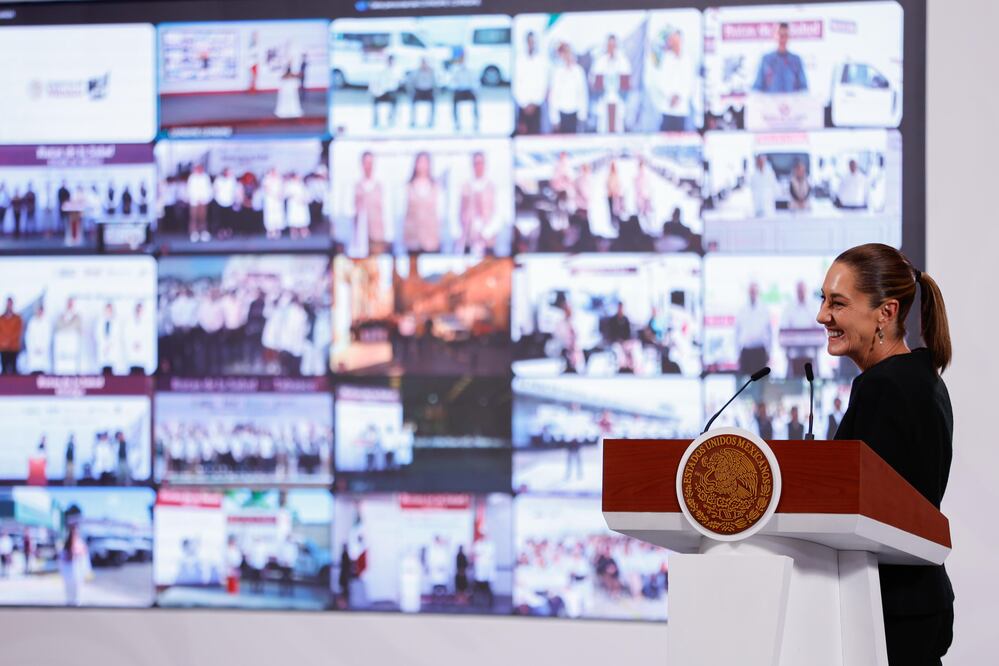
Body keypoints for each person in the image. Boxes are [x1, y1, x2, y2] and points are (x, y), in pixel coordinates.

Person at [817, 243, 954, 664]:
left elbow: (870, 514)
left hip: (887, 615)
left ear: (886, 313)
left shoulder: (887, 387)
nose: (823, 315)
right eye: (823, 300)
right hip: (910, 607)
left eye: (837, 303)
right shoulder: (919, 377)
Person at [647, 28, 693, 131]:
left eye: (677, 40)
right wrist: (670, 96)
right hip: (667, 107)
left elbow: (689, 82)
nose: (674, 42)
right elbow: (661, 81)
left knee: (681, 140)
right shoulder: (666, 58)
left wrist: (679, 96)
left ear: (681, 41)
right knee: (665, 139)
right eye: (672, 40)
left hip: (681, 108)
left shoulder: (687, 59)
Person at [780, 280, 823, 378]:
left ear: (806, 291)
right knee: (795, 385)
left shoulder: (814, 306)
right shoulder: (789, 307)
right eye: (799, 290)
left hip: (811, 354)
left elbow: (819, 328)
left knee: (811, 382)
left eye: (802, 290)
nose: (801, 293)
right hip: (794, 355)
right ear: (796, 291)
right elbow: (784, 328)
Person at [590, 34, 631, 133]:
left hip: (618, 100)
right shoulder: (600, 61)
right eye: (609, 45)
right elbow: (592, 80)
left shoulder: (623, 61)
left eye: (613, 45)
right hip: (604, 100)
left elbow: (628, 82)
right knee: (603, 129)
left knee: (618, 129)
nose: (611, 48)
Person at [458, 152, 497, 254]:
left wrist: (486, 232)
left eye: (481, 163)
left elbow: (498, 213)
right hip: (469, 238)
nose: (479, 166)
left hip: (487, 240)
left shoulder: (491, 186)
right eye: (476, 163)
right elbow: (460, 211)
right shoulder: (466, 186)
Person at [752, 22, 808, 93]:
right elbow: (757, 86)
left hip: (792, 102)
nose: (782, 38)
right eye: (780, 35)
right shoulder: (766, 60)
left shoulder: (796, 60)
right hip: (770, 103)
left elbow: (803, 87)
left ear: (788, 37)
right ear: (774, 35)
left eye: (785, 35)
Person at [403, 152, 441, 253]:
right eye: (420, 162)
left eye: (425, 162)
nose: (422, 165)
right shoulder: (408, 187)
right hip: (412, 242)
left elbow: (440, 214)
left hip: (431, 241)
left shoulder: (436, 187)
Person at [548, 43, 588, 134]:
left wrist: (582, 116)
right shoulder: (557, 72)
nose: (566, 55)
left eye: (568, 52)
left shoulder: (578, 71)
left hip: (575, 113)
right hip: (561, 114)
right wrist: (554, 118)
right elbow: (553, 96)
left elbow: (583, 94)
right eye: (563, 53)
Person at [353, 152, 388, 255]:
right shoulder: (356, 186)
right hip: (360, 234)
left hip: (377, 235)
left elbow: (386, 211)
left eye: (371, 163)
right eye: (366, 163)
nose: (368, 166)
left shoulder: (380, 186)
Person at [514, 31, 548, 134]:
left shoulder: (541, 60)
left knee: (535, 134)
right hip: (522, 106)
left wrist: (535, 103)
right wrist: (524, 103)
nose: (531, 44)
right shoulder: (519, 60)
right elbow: (517, 83)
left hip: (536, 105)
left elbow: (543, 82)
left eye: (533, 41)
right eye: (529, 41)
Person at [735, 282, 771, 374]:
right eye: (751, 291)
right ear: (748, 292)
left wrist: (769, 352)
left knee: (761, 382)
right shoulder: (742, 310)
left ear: (758, 292)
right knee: (746, 382)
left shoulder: (764, 309)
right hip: (746, 351)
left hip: (760, 351)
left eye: (754, 291)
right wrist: (737, 354)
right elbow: (737, 333)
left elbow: (770, 333)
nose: (753, 293)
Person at [449, 51, 479, 132]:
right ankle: (456, 123)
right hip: (459, 90)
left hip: (469, 90)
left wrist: (474, 89)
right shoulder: (455, 69)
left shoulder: (471, 68)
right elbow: (452, 81)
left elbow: (475, 81)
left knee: (475, 99)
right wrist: (456, 87)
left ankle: (476, 122)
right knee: (454, 100)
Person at [370, 55, 402, 129]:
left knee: (393, 97)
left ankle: (391, 118)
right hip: (381, 92)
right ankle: (376, 120)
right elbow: (376, 82)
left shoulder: (397, 71)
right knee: (375, 99)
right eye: (389, 61)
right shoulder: (381, 70)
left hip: (391, 92)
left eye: (392, 61)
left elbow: (397, 84)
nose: (390, 62)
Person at [186, 165, 212, 243]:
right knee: (193, 217)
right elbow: (190, 189)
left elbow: (208, 188)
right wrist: (195, 198)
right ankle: (194, 233)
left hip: (203, 200)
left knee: (203, 218)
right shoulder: (192, 177)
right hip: (194, 201)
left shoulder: (205, 177)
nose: (199, 170)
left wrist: (204, 198)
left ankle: (203, 233)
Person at [409, 58, 436, 129]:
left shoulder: (432, 71)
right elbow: (412, 81)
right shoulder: (416, 72)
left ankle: (431, 121)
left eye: (425, 63)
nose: (424, 65)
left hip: (428, 91)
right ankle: (413, 121)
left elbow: (435, 82)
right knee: (413, 101)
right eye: (423, 63)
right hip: (419, 91)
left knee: (433, 101)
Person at [213, 167, 238, 239]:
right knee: (220, 218)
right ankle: (221, 232)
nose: (229, 173)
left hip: (229, 201)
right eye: (227, 172)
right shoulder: (219, 179)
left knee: (229, 218)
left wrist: (235, 199)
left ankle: (228, 231)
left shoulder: (232, 179)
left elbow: (235, 190)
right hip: (220, 201)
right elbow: (215, 189)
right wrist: (217, 198)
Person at [284, 173, 311, 240]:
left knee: (303, 218)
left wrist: (305, 199)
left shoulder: (302, 185)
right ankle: (294, 233)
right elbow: (286, 194)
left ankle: (303, 231)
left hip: (302, 204)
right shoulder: (289, 185)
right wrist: (293, 196)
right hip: (293, 204)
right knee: (293, 218)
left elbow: (307, 194)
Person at [261, 168, 286, 240]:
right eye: (273, 172)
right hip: (270, 200)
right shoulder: (266, 179)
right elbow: (266, 188)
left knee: (278, 214)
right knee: (269, 215)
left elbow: (282, 189)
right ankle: (270, 231)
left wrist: (280, 195)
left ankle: (277, 230)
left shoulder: (279, 179)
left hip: (278, 200)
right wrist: (274, 194)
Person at [0, 297, 22, 375]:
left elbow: (18, 332)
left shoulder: (17, 319)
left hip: (13, 348)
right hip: (3, 348)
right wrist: (3, 342)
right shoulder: (1, 319)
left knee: (14, 370)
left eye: (10, 304)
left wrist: (9, 341)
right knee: (4, 371)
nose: (9, 306)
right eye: (8, 304)